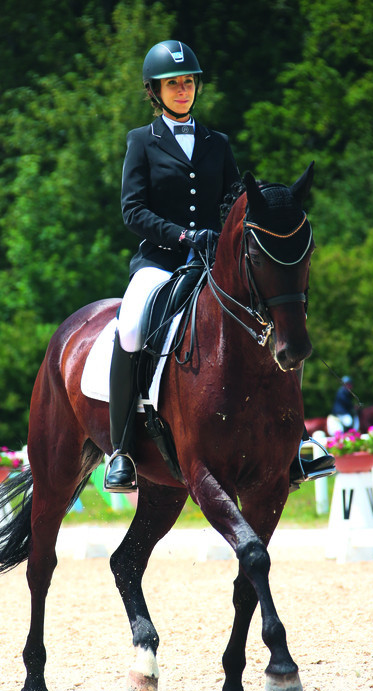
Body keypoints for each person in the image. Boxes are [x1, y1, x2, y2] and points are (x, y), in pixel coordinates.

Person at [104, 39, 334, 491]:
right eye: (173, 84)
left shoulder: (216, 143)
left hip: (215, 263)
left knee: (276, 318)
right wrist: (186, 235)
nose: (183, 90)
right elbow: (133, 212)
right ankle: (122, 449)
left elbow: (233, 200)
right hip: (161, 262)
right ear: (155, 91)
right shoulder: (140, 143)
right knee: (130, 326)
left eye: (188, 82)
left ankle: (297, 440)